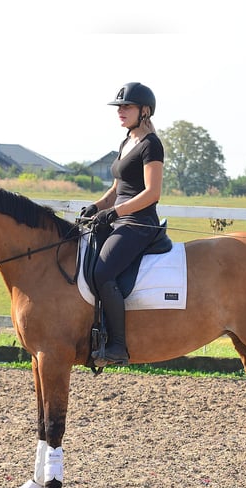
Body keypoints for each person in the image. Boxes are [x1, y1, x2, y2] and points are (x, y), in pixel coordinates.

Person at [80, 82, 165, 366]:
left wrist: (115, 213)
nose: (120, 111)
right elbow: (117, 188)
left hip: (139, 223)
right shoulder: (126, 141)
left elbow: (152, 193)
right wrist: (97, 206)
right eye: (119, 107)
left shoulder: (151, 145)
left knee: (103, 273)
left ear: (145, 111)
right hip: (119, 219)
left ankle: (117, 346)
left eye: (126, 107)